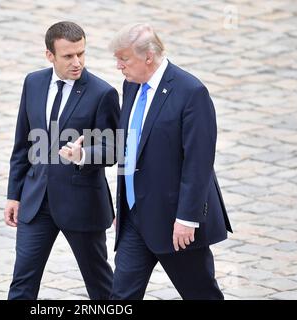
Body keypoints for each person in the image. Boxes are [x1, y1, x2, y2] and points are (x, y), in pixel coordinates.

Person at [109, 23, 233, 300]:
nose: (119, 66)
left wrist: (187, 218)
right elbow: (130, 148)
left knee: (200, 293)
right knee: (121, 296)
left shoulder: (191, 92)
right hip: (134, 219)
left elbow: (198, 163)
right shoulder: (130, 86)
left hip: (175, 223)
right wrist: (123, 201)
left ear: (148, 57)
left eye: (124, 59)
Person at [4, 21, 120, 300]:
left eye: (81, 53)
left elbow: (115, 149)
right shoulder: (33, 83)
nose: (77, 62)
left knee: (100, 286)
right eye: (68, 56)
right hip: (36, 202)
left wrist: (84, 155)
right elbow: (23, 143)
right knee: (22, 283)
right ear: (49, 55)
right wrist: (14, 194)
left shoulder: (102, 94)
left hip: (82, 205)